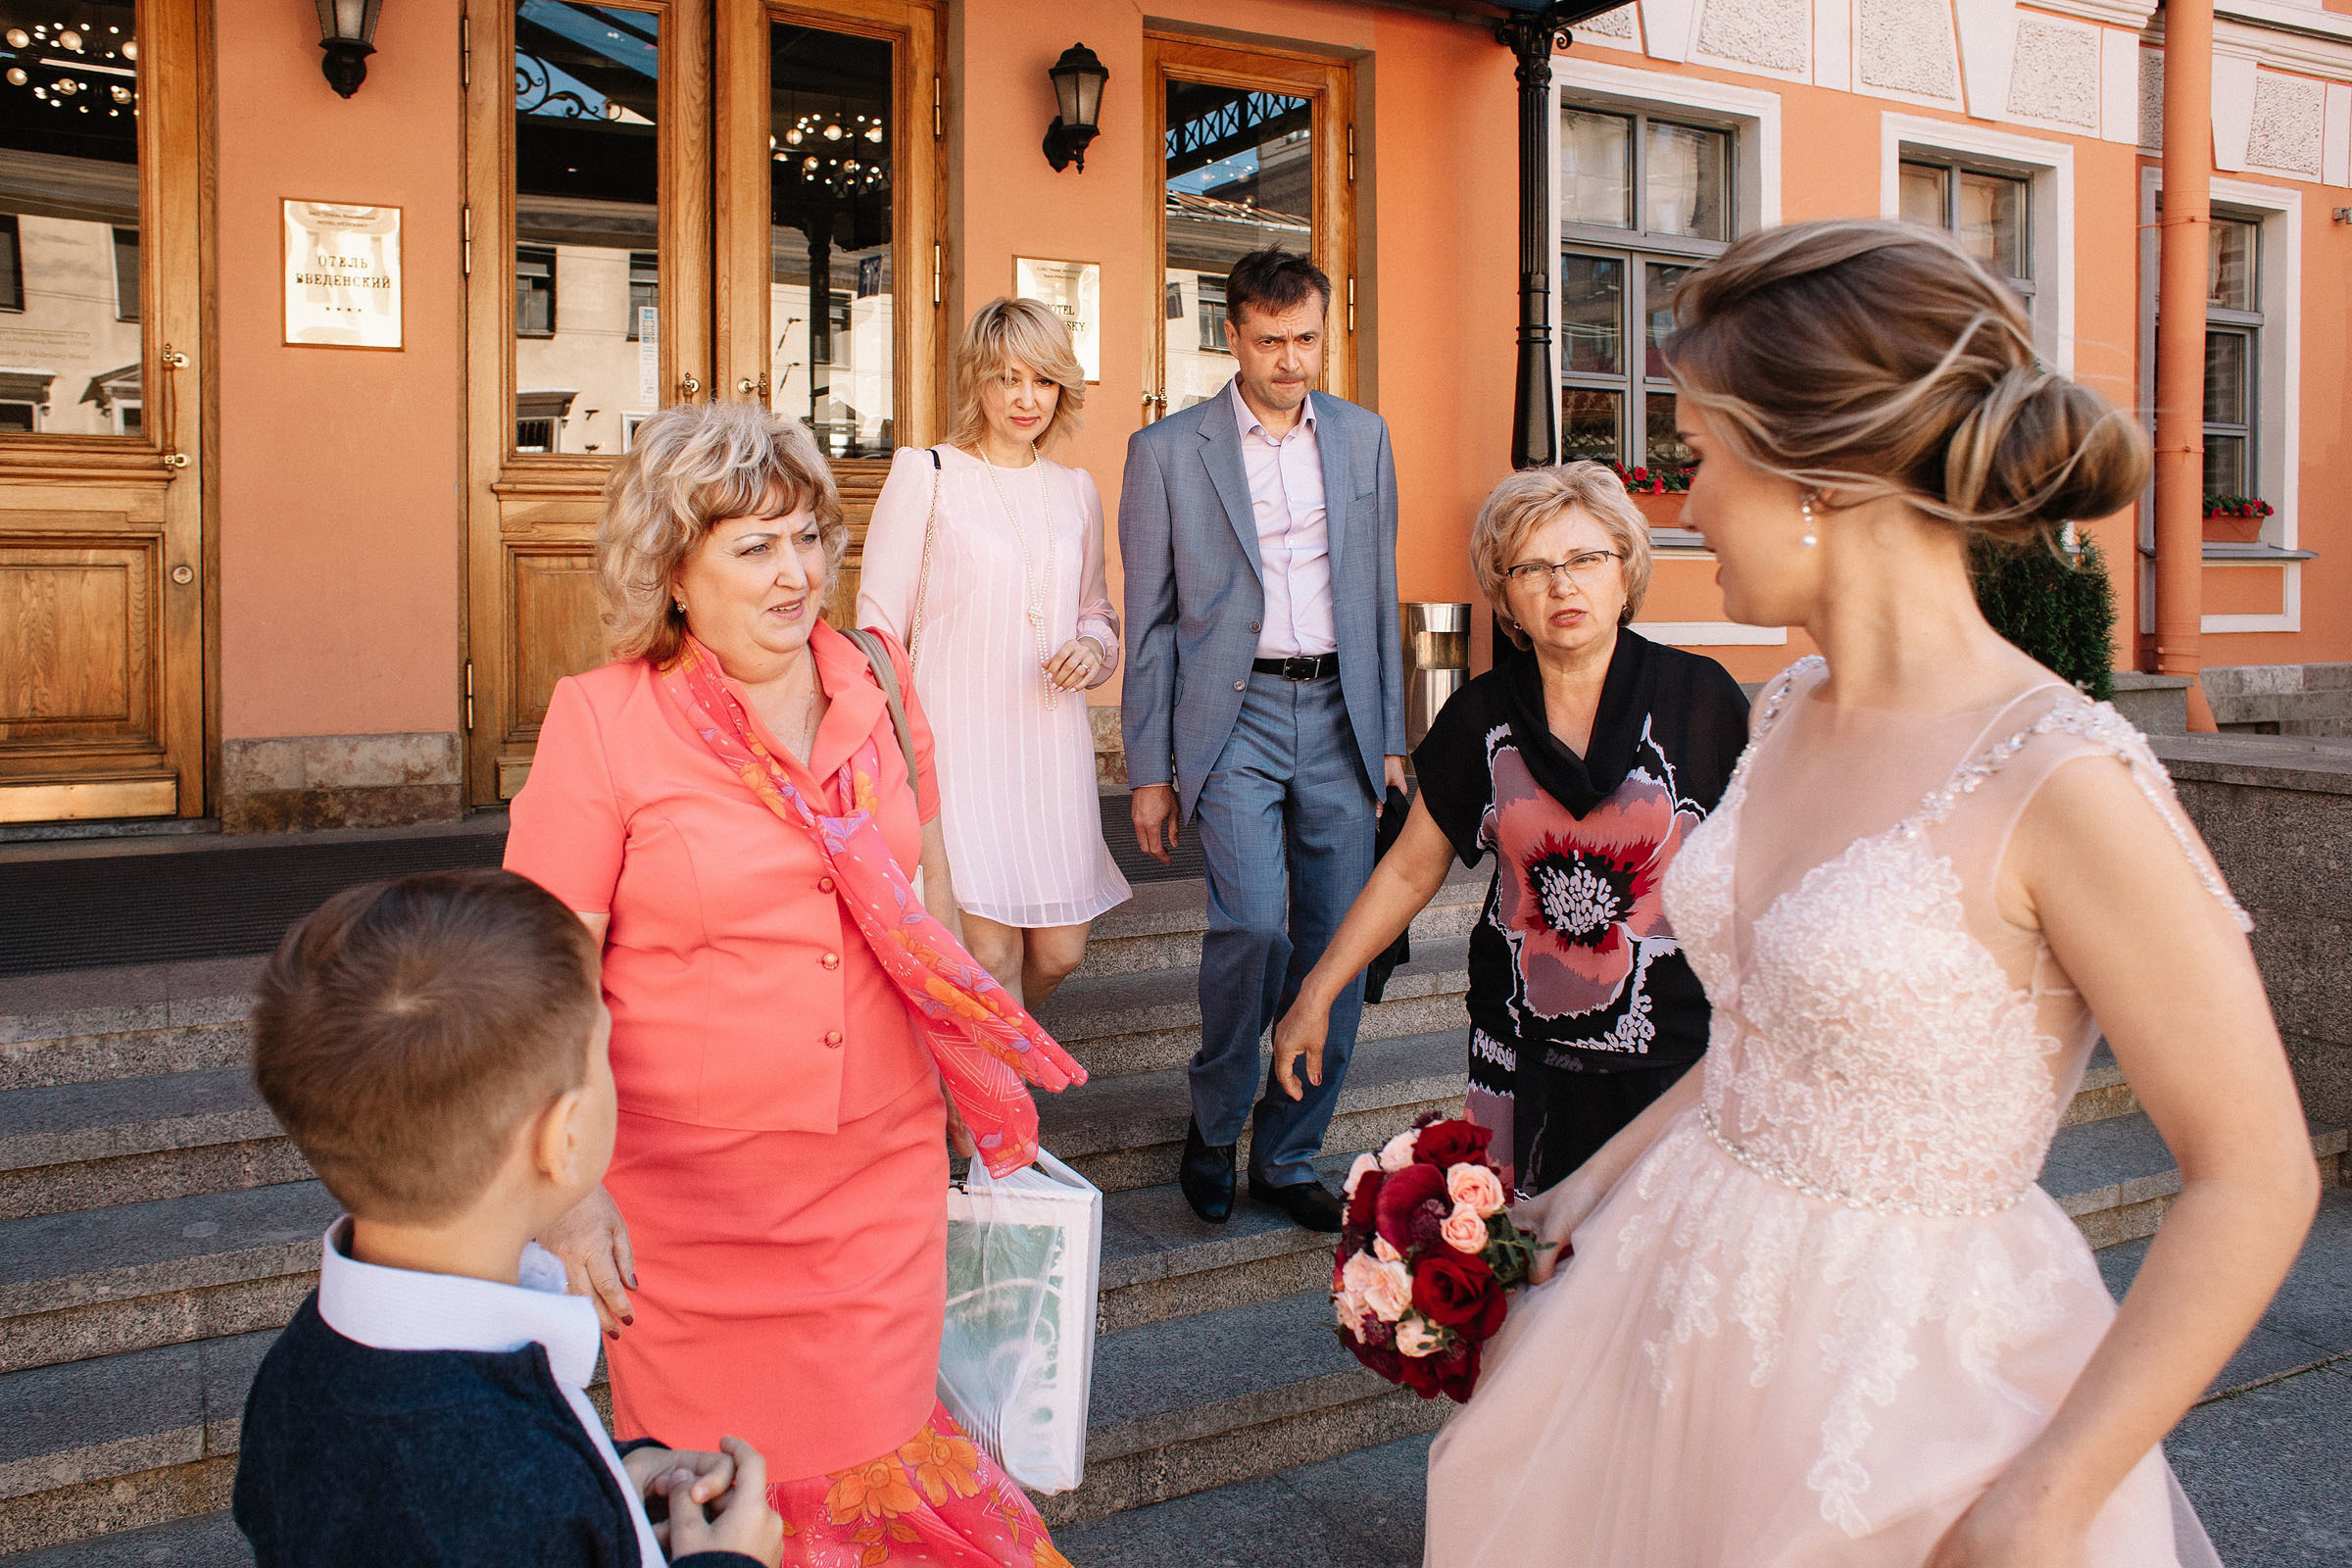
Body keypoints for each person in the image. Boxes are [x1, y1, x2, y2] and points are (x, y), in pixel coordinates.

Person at [1422, 220, 2320, 1566]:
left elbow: (2255, 1178)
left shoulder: (2063, 778)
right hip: (1681, 1297)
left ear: (1815, 482)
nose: (1685, 503)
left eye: (1704, 456)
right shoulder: (1784, 709)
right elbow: (1764, 1039)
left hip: (1903, 1395)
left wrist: (2049, 1497)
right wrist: (1586, 1189)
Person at [505, 400, 1079, 1568]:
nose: (795, 572)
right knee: (721, 1500)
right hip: (686, 1212)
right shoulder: (602, 720)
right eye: (754, 546)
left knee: (881, 1461)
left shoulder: (877, 680)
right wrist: (565, 1190)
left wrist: (979, 1050)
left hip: (877, 1186)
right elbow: (543, 967)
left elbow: (925, 881)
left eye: (809, 536)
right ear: (673, 570)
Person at [233, 867, 783, 1568]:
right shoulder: (511, 1491)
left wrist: (618, 1479)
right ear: (565, 1135)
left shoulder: (301, 1372)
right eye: (604, 1053)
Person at [1272, 464, 1747, 1197]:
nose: (1562, 586)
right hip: (1521, 1058)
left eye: (1586, 559)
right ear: (1506, 599)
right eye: (1532, 568)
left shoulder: (1703, 698)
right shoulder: (1479, 717)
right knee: (1531, 1283)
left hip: (1676, 1057)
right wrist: (1317, 993)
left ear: (1626, 571)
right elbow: (1409, 868)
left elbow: (1762, 865)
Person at [1119, 245, 1406, 1232]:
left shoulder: (1366, 440)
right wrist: (1149, 771)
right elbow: (1151, 620)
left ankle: (1287, 1153)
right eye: (1272, 340)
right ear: (1232, 336)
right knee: (1252, 927)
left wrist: (1392, 738)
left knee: (1339, 942)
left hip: (1339, 714)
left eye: (1308, 339)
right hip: (1229, 717)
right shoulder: (1167, 452)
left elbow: (1377, 595)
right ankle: (1214, 1123)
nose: (1292, 359)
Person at [859, 297, 1129, 1006]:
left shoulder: (1076, 492)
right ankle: (1001, 1113)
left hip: (1049, 745)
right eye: (1007, 377)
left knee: (1062, 949)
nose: (1025, 398)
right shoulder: (929, 473)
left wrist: (1092, 649)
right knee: (990, 950)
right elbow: (878, 626)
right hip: (955, 743)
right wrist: (894, 750)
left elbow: (1097, 610)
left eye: (1042, 380)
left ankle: (982, 1074)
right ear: (976, 379)